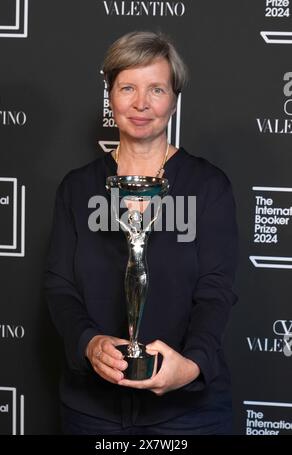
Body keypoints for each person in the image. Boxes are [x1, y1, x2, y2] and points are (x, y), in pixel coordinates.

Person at [45, 31, 238, 435]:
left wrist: (193, 365)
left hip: (190, 414)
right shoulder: (78, 188)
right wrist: (88, 343)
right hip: (91, 412)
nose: (141, 103)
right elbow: (60, 287)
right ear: (110, 95)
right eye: (127, 87)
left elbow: (216, 290)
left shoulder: (207, 187)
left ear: (174, 98)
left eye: (156, 89)